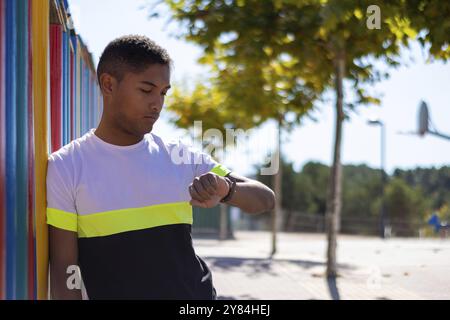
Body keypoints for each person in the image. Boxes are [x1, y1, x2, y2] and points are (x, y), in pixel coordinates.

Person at [47, 35, 275, 300]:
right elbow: (65, 270)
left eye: (163, 92)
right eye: (146, 90)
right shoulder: (67, 166)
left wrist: (226, 189)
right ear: (108, 84)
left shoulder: (180, 156)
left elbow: (265, 199)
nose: (157, 104)